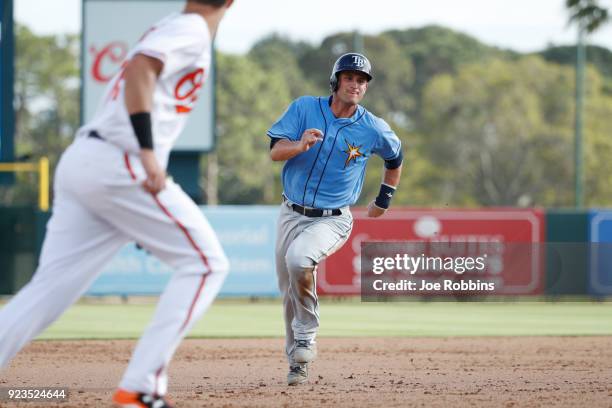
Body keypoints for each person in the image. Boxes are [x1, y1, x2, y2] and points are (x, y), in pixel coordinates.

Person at [0, 1, 234, 406]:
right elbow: (142, 68)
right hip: (120, 162)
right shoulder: (193, 28)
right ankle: (140, 388)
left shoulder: (175, 23)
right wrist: (146, 152)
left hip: (86, 161)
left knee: (48, 289)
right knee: (207, 263)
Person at [267, 52, 403, 385]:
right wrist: (298, 146)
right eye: (349, 78)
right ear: (336, 81)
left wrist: (384, 199)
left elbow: (395, 157)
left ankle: (307, 336)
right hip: (291, 212)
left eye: (361, 80)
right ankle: (297, 362)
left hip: (333, 218)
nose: (355, 84)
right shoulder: (304, 108)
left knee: (299, 260)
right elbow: (274, 151)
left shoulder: (373, 128)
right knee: (288, 292)